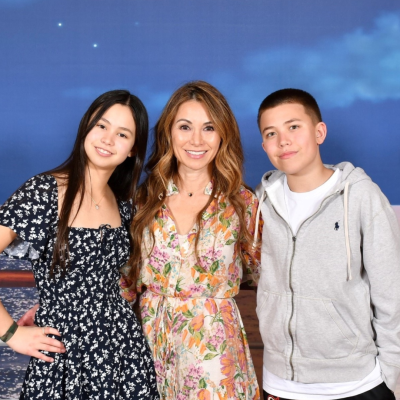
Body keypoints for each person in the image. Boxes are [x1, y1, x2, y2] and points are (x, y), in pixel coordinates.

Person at [0, 90, 159, 399]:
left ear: (131, 151)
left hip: (124, 355)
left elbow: (107, 280)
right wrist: (10, 333)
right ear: (86, 127)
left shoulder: (125, 204)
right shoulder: (43, 191)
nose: (108, 139)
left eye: (122, 133)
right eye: (101, 125)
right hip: (63, 355)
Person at [255, 88, 400, 400]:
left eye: (294, 126)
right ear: (264, 144)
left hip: (356, 384)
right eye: (271, 133)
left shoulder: (361, 195)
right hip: (281, 383)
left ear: (319, 132)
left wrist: (393, 375)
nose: (284, 141)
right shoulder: (260, 203)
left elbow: (391, 293)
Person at [120, 81, 261, 400]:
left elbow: (262, 273)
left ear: (223, 133)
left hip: (215, 357)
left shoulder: (242, 203)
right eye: (185, 126)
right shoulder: (141, 202)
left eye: (209, 127)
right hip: (150, 348)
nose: (196, 140)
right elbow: (124, 283)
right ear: (169, 132)